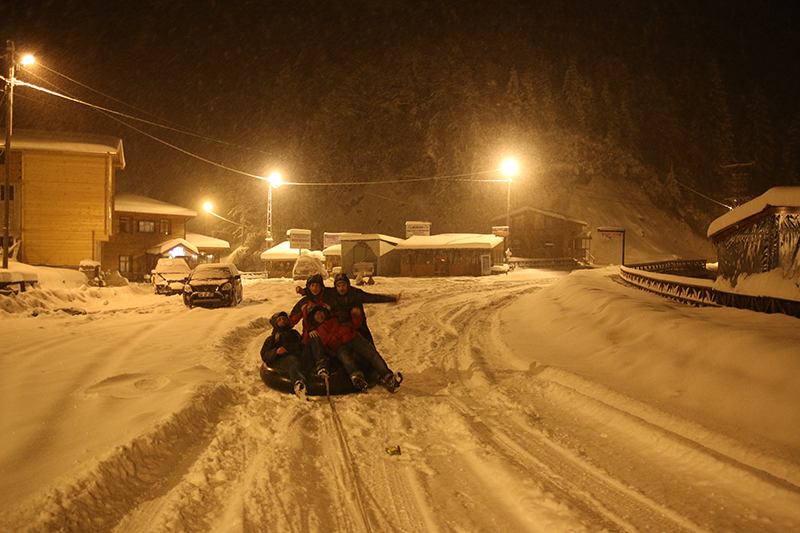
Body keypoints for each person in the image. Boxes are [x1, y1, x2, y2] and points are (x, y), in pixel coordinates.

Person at [307, 304, 402, 393]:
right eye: (316, 314)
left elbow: (355, 325)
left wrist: (356, 315)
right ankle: (356, 377)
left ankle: (388, 377)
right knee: (346, 358)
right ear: (313, 318)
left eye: (320, 312)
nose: (320, 315)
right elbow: (317, 347)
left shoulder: (336, 319)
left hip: (353, 338)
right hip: (338, 347)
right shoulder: (316, 332)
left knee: (372, 354)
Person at [322, 272, 401, 344]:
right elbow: (317, 291)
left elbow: (373, 298)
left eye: (343, 285)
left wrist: (392, 299)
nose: (341, 288)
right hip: (341, 326)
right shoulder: (331, 294)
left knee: (368, 345)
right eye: (338, 286)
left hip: (359, 325)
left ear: (348, 285)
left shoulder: (356, 294)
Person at [260, 311, 309, 400]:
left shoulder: (294, 334)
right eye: (279, 320)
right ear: (276, 323)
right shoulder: (273, 338)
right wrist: (276, 352)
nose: (283, 321)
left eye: (284, 319)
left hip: (298, 356)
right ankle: (299, 385)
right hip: (284, 359)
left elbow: (302, 345)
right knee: (292, 360)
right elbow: (264, 354)